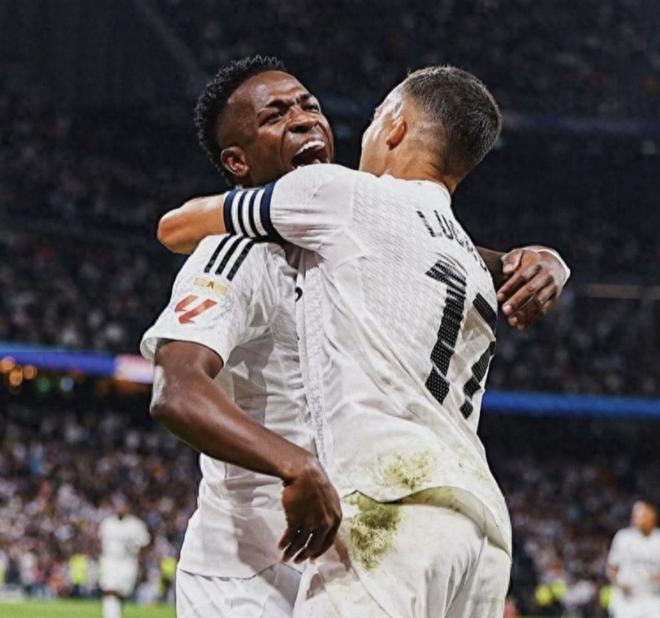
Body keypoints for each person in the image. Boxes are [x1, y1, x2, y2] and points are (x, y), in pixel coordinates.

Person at [150, 57, 570, 617]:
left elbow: (443, 245)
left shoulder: (353, 226)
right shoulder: (237, 250)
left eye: (310, 106)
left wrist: (543, 258)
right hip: (252, 570)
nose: (304, 119)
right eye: (276, 115)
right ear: (237, 160)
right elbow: (176, 389)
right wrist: (294, 464)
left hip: (357, 531)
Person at [607, 499, 660, 618]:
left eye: (641, 514)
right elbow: (611, 567)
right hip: (627, 599)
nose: (636, 517)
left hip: (653, 598)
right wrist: (619, 583)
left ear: (652, 515)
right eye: (634, 514)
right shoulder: (623, 537)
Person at [98, 501, 150, 618]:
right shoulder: (107, 523)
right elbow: (99, 540)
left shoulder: (136, 525)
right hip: (110, 560)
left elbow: (145, 543)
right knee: (110, 589)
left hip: (127, 562)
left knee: (121, 593)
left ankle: (115, 614)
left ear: (128, 508)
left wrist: (141, 562)